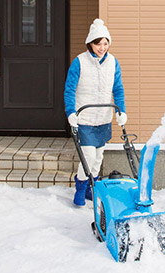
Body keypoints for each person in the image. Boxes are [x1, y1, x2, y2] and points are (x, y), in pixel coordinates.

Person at [64, 18, 127, 206]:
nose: (102, 47)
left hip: (103, 118)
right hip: (84, 117)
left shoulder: (113, 63)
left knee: (98, 157)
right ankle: (81, 187)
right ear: (90, 43)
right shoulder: (79, 62)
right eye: (98, 43)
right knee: (88, 156)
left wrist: (121, 111)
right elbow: (69, 89)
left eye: (105, 43)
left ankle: (91, 188)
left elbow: (118, 89)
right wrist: (70, 112)